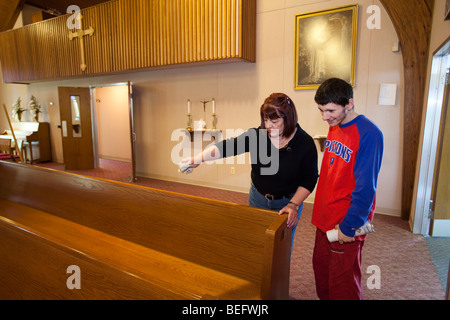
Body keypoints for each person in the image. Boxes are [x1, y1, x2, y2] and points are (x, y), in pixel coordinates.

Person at [182, 93, 318, 252]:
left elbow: (309, 179)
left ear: (288, 119)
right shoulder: (258, 135)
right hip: (258, 198)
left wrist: (293, 205)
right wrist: (199, 158)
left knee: (281, 249)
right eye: (265, 120)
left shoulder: (304, 143)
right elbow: (226, 147)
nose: (268, 126)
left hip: (287, 203)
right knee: (256, 244)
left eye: (274, 121)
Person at [311, 78, 384, 300]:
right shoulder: (335, 125)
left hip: (345, 223)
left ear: (349, 103)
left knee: (342, 285)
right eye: (321, 110)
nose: (325, 116)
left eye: (330, 110)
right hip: (324, 219)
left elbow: (366, 188)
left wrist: (349, 226)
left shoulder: (369, 133)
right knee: (322, 277)